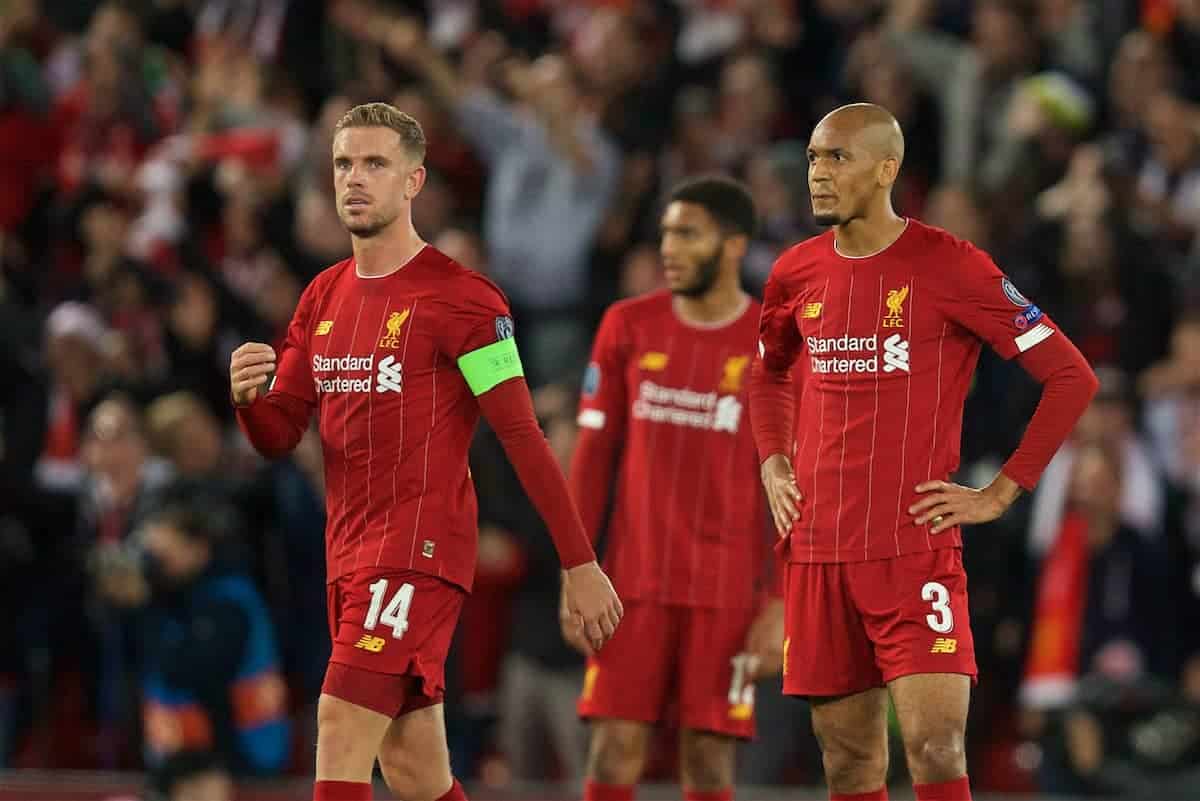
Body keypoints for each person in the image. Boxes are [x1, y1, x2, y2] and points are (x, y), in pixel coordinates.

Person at [229, 102, 623, 801]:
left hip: (419, 550)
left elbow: (523, 435)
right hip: (347, 556)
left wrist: (580, 561)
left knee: (340, 721)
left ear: (413, 181)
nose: (355, 178)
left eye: (375, 164)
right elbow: (281, 432)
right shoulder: (322, 297)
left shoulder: (463, 300)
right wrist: (249, 399)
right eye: (345, 163)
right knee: (413, 765)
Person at [749, 103, 1099, 801]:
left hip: (914, 549)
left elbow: (1070, 376)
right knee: (848, 761)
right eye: (814, 158)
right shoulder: (794, 271)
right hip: (817, 550)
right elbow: (767, 371)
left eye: (837, 158)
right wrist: (772, 460)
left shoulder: (953, 266)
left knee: (936, 747)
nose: (817, 173)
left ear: (888, 168)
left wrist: (1002, 489)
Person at [568, 176, 783, 801]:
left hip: (730, 596)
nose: (669, 247)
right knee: (611, 755)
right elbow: (590, 460)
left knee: (711, 764)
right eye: (666, 232)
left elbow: (798, 486)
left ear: (735, 244)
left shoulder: (774, 349)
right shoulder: (627, 325)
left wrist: (783, 601)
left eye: (688, 233)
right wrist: (576, 569)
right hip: (629, 588)